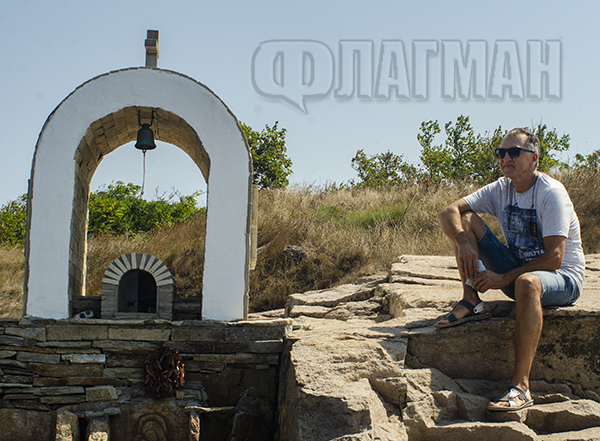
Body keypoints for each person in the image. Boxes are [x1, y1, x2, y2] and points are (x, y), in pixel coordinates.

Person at [436, 127, 585, 411]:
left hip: (563, 279)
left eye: (514, 152)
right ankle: (471, 301)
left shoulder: (550, 193)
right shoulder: (501, 188)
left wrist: (502, 278)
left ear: (534, 159)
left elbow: (554, 258)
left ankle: (521, 388)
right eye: (501, 153)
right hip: (520, 272)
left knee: (527, 283)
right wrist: (462, 242)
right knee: (465, 220)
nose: (506, 158)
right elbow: (448, 212)